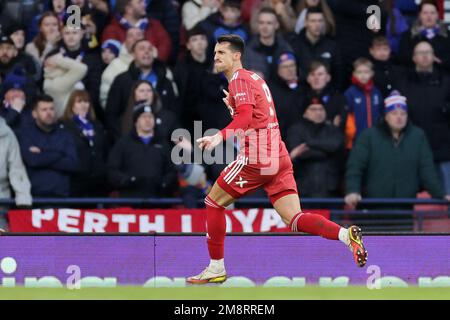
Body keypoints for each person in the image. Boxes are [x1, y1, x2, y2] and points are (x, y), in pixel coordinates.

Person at [187, 34, 368, 284]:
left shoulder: (238, 80)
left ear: (236, 56)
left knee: (213, 202)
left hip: (257, 157)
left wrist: (219, 136)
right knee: (294, 218)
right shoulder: (255, 79)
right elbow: (255, 114)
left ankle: (216, 267)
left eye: (221, 53)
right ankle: (346, 236)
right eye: (215, 53)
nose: (215, 57)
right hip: (278, 156)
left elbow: (246, 118)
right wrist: (235, 111)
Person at [345, 91, 450, 209]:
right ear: (386, 116)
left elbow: (427, 170)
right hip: (373, 206)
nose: (399, 117)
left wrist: (440, 195)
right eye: (394, 113)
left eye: (403, 113)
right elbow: (355, 167)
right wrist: (352, 190)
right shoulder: (368, 136)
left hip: (405, 206)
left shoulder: (418, 136)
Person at [397, 41, 450, 196]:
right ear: (414, 57)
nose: (425, 56)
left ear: (434, 56)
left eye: (428, 52)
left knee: (446, 198)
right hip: (411, 149)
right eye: (421, 52)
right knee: (411, 199)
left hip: (444, 149)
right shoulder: (403, 81)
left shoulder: (447, 80)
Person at [105, 39, 179, 141]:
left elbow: (173, 113)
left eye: (150, 49)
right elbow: (111, 114)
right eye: (142, 49)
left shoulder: (166, 82)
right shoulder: (121, 80)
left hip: (161, 143)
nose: (147, 52)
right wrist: (122, 140)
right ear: (133, 54)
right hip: (127, 140)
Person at [107, 101, 177, 197]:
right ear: (136, 121)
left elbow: (171, 171)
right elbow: (112, 170)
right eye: (143, 117)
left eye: (150, 117)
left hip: (158, 201)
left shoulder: (163, 144)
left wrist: (163, 183)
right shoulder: (123, 143)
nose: (147, 120)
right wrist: (129, 180)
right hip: (130, 201)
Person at [19, 95, 78, 197]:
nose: (49, 113)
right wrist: (59, 154)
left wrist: (42, 152)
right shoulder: (26, 134)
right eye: (44, 110)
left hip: (62, 197)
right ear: (34, 114)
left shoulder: (65, 134)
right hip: (35, 198)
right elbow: (32, 160)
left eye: (51, 109)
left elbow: (72, 164)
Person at [287, 97, 344, 197]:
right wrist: (325, 151)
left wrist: (309, 143)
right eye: (313, 109)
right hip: (303, 189)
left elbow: (335, 146)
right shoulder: (295, 130)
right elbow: (298, 154)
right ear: (305, 113)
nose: (318, 112)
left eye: (321, 109)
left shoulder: (332, 130)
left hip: (330, 189)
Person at [61, 90, 107, 197]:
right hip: (75, 180)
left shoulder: (97, 125)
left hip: (97, 181)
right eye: (79, 102)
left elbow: (104, 150)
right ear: (71, 106)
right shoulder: (64, 126)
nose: (83, 105)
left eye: (86, 101)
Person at [289, 7, 343, 89]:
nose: (317, 24)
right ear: (306, 23)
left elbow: (338, 75)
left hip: (326, 94)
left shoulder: (332, 46)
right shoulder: (294, 45)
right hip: (300, 93)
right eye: (313, 21)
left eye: (320, 21)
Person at [102, 0, 172, 62]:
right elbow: (109, 57)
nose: (144, 4)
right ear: (129, 9)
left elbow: (165, 49)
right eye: (140, 2)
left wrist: (149, 64)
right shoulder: (111, 30)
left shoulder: (155, 25)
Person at [397, 1, 450, 71]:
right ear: (419, 15)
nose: (429, 16)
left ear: (437, 15)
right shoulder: (408, 36)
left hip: (443, 75)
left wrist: (439, 61)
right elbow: (402, 58)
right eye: (425, 13)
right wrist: (418, 59)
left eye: (432, 13)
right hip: (414, 76)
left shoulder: (447, 35)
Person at [0, 117, 32, 231]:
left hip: (1, 203)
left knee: (3, 246)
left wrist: (23, 200)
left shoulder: (7, 134)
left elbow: (17, 169)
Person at [243, 7, 293, 80]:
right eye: (261, 23)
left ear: (276, 25)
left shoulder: (286, 48)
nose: (264, 27)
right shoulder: (248, 51)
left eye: (269, 23)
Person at [344, 58, 383, 150]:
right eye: (359, 72)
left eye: (366, 72)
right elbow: (347, 115)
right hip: (357, 139)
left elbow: (381, 113)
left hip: (376, 137)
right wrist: (351, 134)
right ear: (354, 74)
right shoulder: (350, 93)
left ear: (372, 73)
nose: (363, 75)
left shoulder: (376, 92)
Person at [100, 27, 144, 108]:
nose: (135, 38)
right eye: (131, 36)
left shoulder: (157, 64)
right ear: (125, 41)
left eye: (139, 35)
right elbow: (105, 99)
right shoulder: (114, 66)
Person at [42, 49, 88, 118]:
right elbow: (82, 68)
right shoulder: (57, 82)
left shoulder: (50, 79)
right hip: (68, 122)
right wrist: (59, 60)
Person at [267, 51, 303, 139]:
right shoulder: (269, 91)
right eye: (285, 67)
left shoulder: (305, 87)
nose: (290, 70)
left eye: (292, 65)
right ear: (277, 69)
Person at [304, 60, 346, 128]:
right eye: (312, 74)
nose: (316, 78)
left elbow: (340, 126)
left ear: (328, 77)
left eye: (320, 74)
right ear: (308, 78)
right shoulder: (300, 98)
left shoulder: (339, 99)